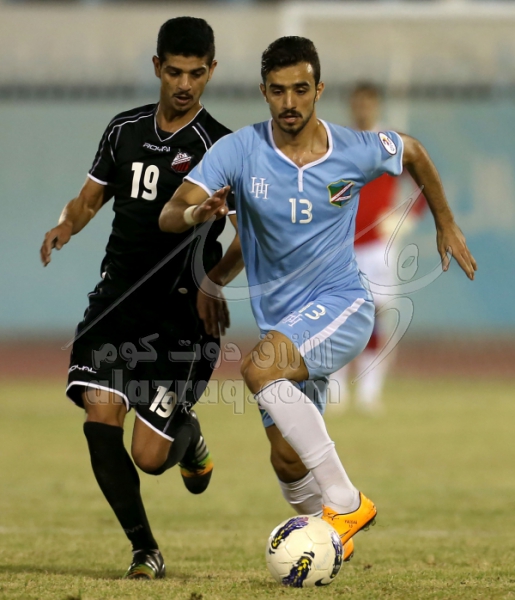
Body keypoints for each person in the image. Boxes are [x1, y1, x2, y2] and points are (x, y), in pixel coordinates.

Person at [159, 36, 477, 561]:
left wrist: (445, 221)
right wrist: (201, 222)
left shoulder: (353, 148)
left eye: (301, 89)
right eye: (278, 90)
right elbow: (172, 214)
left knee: (258, 369)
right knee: (286, 460)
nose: (290, 102)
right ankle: (331, 545)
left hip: (342, 305)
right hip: (284, 325)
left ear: (318, 89)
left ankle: (347, 503)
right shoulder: (238, 151)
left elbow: (414, 152)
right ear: (264, 91)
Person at [40, 17, 242, 580]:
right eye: (174, 72)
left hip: (181, 314)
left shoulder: (222, 146)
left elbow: (249, 236)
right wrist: (66, 225)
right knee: (99, 418)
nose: (184, 84)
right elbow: (89, 199)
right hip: (116, 302)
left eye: (196, 74)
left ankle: (188, 438)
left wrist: (213, 282)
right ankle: (144, 549)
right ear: (157, 67)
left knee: (149, 458)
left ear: (211, 71)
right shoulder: (123, 129)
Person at [329, 82, 427, 413]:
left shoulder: (391, 143)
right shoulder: (338, 143)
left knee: (376, 315)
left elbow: (423, 184)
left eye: (367, 103)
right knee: (338, 317)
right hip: (341, 245)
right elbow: (329, 189)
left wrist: (403, 220)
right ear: (350, 106)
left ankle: (369, 392)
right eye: (357, 103)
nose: (362, 109)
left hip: (377, 248)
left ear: (376, 106)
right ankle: (336, 390)